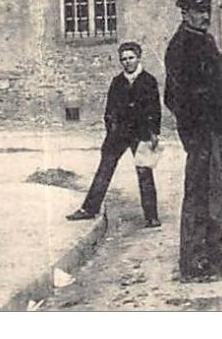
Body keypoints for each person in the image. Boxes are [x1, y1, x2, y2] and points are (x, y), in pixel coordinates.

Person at [163, 0, 222, 282]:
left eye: (207, 11)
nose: (205, 16)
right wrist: (199, 127)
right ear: (185, 13)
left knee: (220, 189)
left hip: (219, 131)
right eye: (198, 11)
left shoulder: (205, 40)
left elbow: (221, 80)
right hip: (202, 134)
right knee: (198, 194)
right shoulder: (180, 46)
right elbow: (175, 97)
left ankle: (214, 250)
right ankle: (193, 260)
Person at [67, 42, 162, 227]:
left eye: (131, 58)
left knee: (145, 173)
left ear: (139, 57)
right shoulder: (117, 82)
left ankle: (151, 216)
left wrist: (154, 133)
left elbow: (155, 109)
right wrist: (111, 128)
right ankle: (89, 209)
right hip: (118, 134)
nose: (127, 62)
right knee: (105, 170)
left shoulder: (148, 81)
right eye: (124, 59)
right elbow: (109, 109)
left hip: (142, 133)